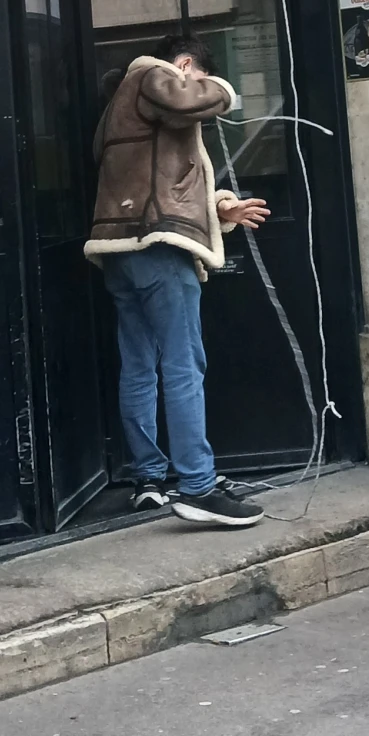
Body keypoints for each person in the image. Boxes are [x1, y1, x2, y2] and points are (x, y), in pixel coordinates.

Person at [84, 36, 271, 528]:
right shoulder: (152, 76)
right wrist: (223, 89)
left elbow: (165, 177)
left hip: (120, 250)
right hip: (159, 247)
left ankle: (149, 478)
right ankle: (197, 486)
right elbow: (189, 102)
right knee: (184, 365)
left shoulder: (120, 105)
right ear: (185, 65)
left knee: (139, 366)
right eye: (197, 76)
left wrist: (222, 208)